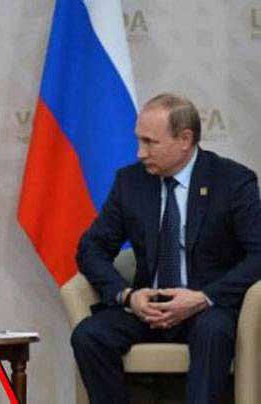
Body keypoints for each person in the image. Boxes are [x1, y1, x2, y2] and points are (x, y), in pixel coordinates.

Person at [71, 93, 261, 404]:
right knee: (89, 335)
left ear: (185, 139)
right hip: (149, 307)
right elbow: (91, 248)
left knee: (213, 332)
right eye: (139, 140)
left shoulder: (232, 181)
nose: (140, 152)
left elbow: (258, 254)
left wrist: (202, 297)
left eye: (150, 142)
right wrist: (127, 296)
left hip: (207, 307)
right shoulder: (130, 182)